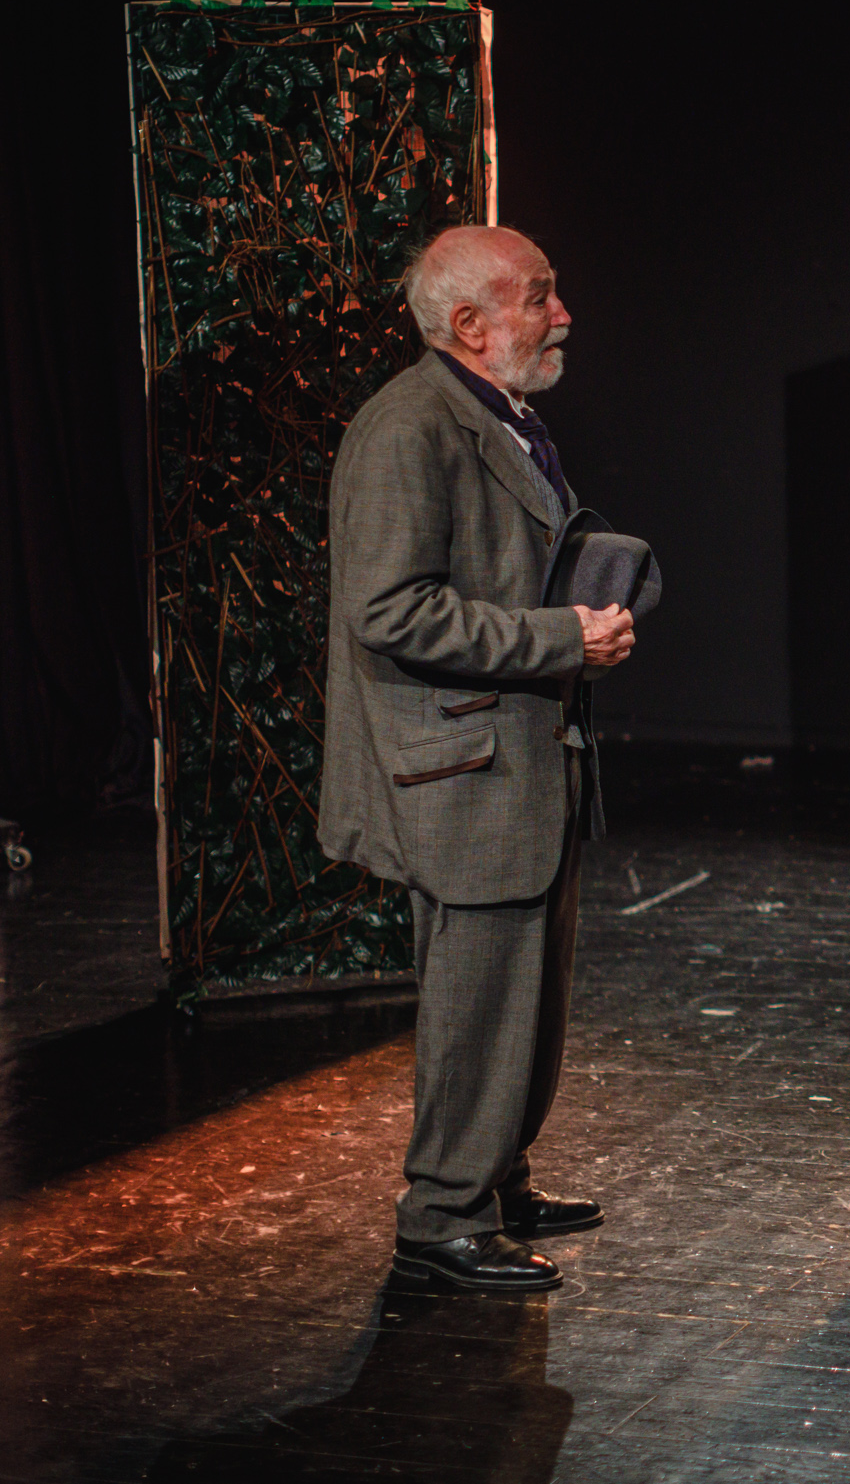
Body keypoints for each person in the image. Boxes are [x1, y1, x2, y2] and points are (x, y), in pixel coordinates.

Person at [320, 225, 632, 1292]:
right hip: (461, 770)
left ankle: (494, 1178)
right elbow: (388, 608)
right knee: (478, 1000)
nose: (562, 314)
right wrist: (560, 638)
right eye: (539, 296)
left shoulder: (499, 413)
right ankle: (442, 1214)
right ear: (469, 324)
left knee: (524, 997)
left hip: (521, 757)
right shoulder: (408, 427)